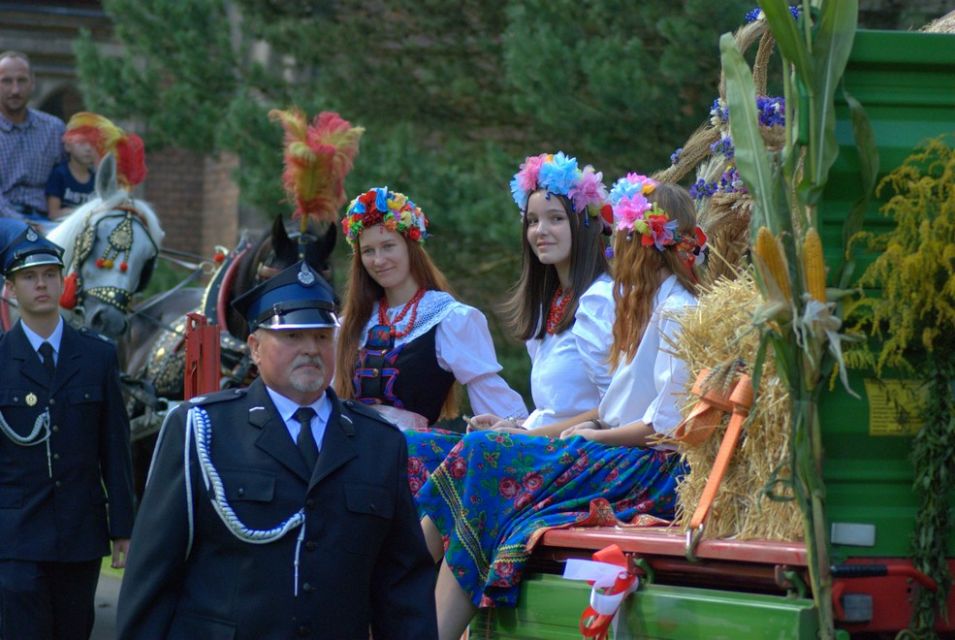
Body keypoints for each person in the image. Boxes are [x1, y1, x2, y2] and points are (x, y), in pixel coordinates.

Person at [419, 178, 707, 639]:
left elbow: (665, 429)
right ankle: (402, 598)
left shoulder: (676, 310)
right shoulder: (648, 304)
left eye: (620, 238)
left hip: (648, 467)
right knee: (433, 450)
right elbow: (608, 407)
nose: (611, 250)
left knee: (482, 455)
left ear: (644, 241)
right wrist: (537, 426)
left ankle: (399, 583)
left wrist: (592, 435)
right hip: (618, 449)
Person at [116, 260, 438, 639]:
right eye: (292, 337)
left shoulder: (379, 442)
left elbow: (402, 588)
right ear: (254, 347)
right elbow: (154, 576)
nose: (311, 350)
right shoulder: (202, 429)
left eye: (321, 337)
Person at [334, 186, 527, 487]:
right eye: (368, 251)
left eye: (388, 246)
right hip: (349, 460)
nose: (378, 259)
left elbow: (493, 398)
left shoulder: (449, 319)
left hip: (409, 466)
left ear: (410, 245)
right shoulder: (349, 326)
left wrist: (522, 431)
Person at [0, 219, 134, 640]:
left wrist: (123, 528)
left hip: (79, 532)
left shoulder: (97, 357)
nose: (40, 285)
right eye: (28, 277)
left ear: (63, 283)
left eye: (49, 275)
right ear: (10, 290)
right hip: (14, 536)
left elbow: (114, 447)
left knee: (75, 630)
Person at [467, 151, 615, 435]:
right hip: (551, 445)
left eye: (556, 218)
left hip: (590, 450)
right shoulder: (547, 306)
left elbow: (618, 406)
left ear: (583, 225)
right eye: (532, 221)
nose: (540, 231)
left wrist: (527, 436)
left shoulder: (602, 300)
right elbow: (554, 411)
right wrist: (513, 425)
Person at [0, 51, 65, 221]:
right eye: (7, 81)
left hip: (48, 221)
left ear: (32, 83)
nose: (15, 90)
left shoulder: (54, 129)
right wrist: (21, 222)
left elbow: (69, 177)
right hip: (5, 221)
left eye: (22, 80)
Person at [45, 113, 106, 219]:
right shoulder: (59, 174)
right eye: (82, 143)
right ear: (68, 146)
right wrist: (83, 212)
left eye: (93, 144)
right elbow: (53, 214)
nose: (88, 148)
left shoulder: (97, 179)